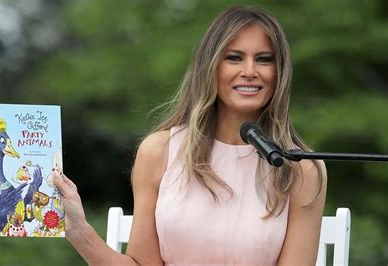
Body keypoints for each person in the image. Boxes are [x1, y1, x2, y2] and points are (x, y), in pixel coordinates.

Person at [53, 5, 327, 265]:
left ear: (280, 73)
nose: (249, 72)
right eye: (234, 57)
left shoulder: (302, 168)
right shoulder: (159, 151)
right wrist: (79, 231)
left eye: (264, 60)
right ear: (210, 66)